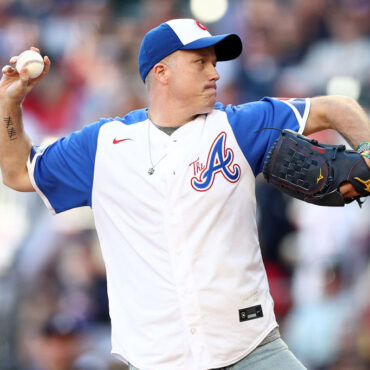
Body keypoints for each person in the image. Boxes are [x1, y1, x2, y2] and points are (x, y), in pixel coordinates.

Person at [0, 18, 369, 370]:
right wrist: (9, 105)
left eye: (214, 62)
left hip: (249, 346)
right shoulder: (102, 147)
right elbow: (18, 172)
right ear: (161, 72)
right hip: (157, 358)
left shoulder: (238, 125)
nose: (215, 72)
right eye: (200, 62)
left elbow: (337, 108)